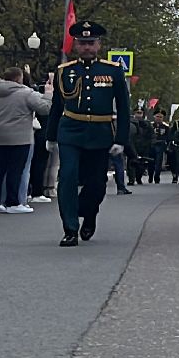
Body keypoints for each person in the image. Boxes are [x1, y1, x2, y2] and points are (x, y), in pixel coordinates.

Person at [42, 20, 132, 246]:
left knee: (97, 183)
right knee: (68, 177)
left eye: (91, 43)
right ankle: (70, 228)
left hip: (100, 132)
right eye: (82, 43)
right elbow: (57, 106)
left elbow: (123, 107)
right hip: (71, 131)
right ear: (76, 45)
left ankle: (89, 213)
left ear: (99, 44)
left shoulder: (113, 71)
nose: (87, 47)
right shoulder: (65, 71)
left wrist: (121, 139)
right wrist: (51, 136)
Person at [0, 68, 39, 212]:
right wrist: (50, 94)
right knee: (15, 170)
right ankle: (13, 202)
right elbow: (44, 107)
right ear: (19, 78)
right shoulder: (26, 93)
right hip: (20, 138)